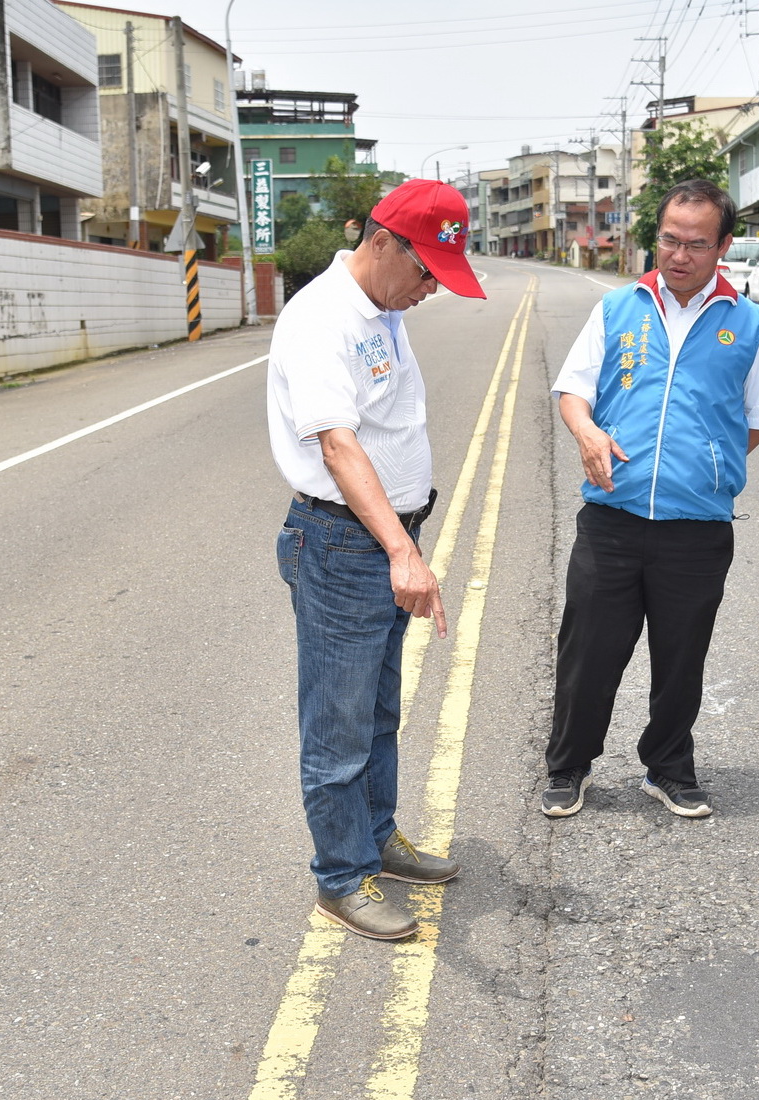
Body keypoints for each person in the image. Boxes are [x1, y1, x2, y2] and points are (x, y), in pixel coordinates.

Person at [269, 179, 487, 940]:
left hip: (385, 536)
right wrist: (401, 549)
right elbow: (337, 445)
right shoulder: (320, 319)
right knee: (338, 726)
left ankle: (376, 837)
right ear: (382, 242)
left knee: (379, 713)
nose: (432, 290)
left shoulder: (383, 308)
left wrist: (405, 537)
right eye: (426, 272)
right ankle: (341, 877)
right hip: (343, 544)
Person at [540, 179, 759, 820]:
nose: (679, 255)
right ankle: (568, 765)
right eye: (669, 240)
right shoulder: (617, 308)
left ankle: (669, 767)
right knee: (588, 652)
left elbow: (758, 420)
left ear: (723, 247)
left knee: (681, 657)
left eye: (696, 244)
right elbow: (574, 390)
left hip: (696, 526)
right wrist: (588, 432)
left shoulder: (753, 325)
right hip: (612, 516)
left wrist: (705, 463)